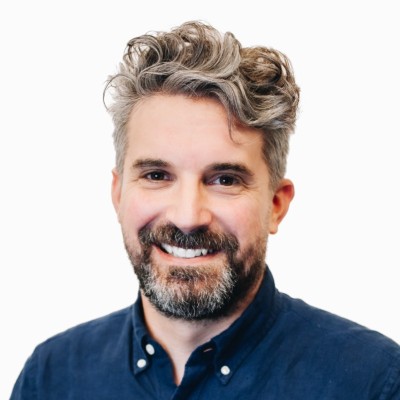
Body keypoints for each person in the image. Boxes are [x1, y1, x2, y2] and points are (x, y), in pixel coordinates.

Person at [11, 21, 400, 399]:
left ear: (276, 205)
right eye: (157, 175)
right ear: (118, 194)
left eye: (225, 180)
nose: (187, 217)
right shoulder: (50, 378)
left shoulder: (373, 382)